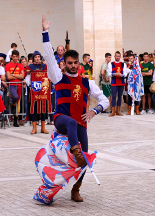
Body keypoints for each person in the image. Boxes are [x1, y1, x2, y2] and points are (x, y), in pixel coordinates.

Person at [41, 14, 109, 202]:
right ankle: (75, 152)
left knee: (85, 160)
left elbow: (105, 99)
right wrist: (45, 32)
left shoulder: (87, 82)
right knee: (71, 123)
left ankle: (76, 189)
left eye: (75, 63)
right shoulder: (58, 77)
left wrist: (95, 111)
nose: (72, 66)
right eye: (69, 63)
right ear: (64, 64)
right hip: (61, 119)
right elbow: (48, 55)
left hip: (81, 123)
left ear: (79, 63)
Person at [25, 51, 50, 134]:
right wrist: (30, 86)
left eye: (38, 57)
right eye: (36, 57)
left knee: (43, 108)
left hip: (43, 91)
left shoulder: (44, 66)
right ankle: (34, 128)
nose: (37, 58)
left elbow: (48, 76)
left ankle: (43, 127)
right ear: (33, 58)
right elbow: (28, 78)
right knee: (34, 108)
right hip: (34, 91)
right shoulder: (30, 67)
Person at [5, 50, 25, 127]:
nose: (15, 58)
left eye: (16, 56)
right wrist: (17, 75)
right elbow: (9, 77)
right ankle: (12, 105)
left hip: (19, 85)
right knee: (15, 97)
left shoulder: (20, 65)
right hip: (12, 85)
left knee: (18, 102)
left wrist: (13, 74)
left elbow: (22, 76)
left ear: (18, 57)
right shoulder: (8, 65)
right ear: (11, 56)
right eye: (14, 56)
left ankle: (16, 119)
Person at [107, 51, 129, 116]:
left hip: (121, 82)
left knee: (120, 97)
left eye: (119, 56)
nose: (117, 57)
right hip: (114, 82)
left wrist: (121, 75)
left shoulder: (123, 64)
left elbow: (125, 73)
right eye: (116, 56)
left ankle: (118, 111)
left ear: (120, 57)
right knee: (113, 96)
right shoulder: (111, 64)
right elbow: (108, 73)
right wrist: (114, 74)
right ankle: (113, 111)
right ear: (114, 56)